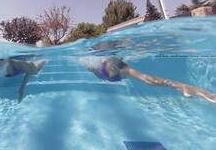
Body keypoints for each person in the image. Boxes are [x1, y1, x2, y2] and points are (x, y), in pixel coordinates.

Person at [86, 56, 216, 103]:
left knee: (148, 80)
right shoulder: (96, 68)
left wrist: (174, 85)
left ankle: (198, 91)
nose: (113, 74)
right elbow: (94, 67)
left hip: (117, 63)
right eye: (112, 72)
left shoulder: (124, 70)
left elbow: (148, 79)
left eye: (114, 71)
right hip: (106, 65)